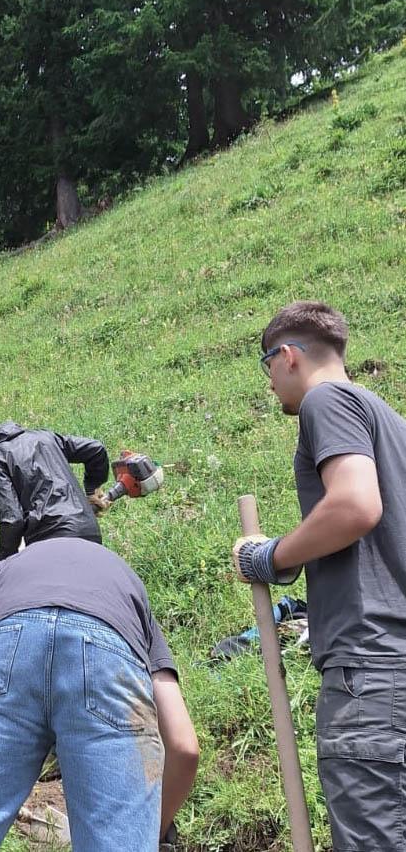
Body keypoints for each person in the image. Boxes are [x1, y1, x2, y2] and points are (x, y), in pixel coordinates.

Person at [0, 538, 198, 852]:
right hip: (107, 650)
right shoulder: (124, 585)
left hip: (9, 647)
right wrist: (149, 828)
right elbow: (184, 747)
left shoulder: (12, 567)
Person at [232, 301, 406, 850]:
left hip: (372, 669)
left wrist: (274, 556)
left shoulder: (326, 399)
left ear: (287, 357)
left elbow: (355, 505)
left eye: (267, 369)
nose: (271, 386)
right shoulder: (392, 423)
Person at [0, 413, 111, 557]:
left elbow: (12, 519)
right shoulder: (43, 436)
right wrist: (92, 489)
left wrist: (4, 561)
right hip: (89, 531)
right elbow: (96, 449)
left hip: (51, 540)